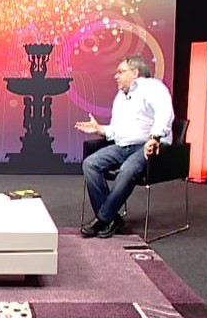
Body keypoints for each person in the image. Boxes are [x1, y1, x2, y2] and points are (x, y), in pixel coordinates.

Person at [74, 55, 174, 238]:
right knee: (90, 164)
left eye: (120, 72)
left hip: (148, 146)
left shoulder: (152, 87)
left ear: (135, 73)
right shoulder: (120, 97)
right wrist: (99, 129)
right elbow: (116, 131)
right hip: (123, 146)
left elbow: (164, 113)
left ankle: (102, 219)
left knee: (127, 170)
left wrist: (155, 137)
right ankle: (112, 219)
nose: (116, 76)